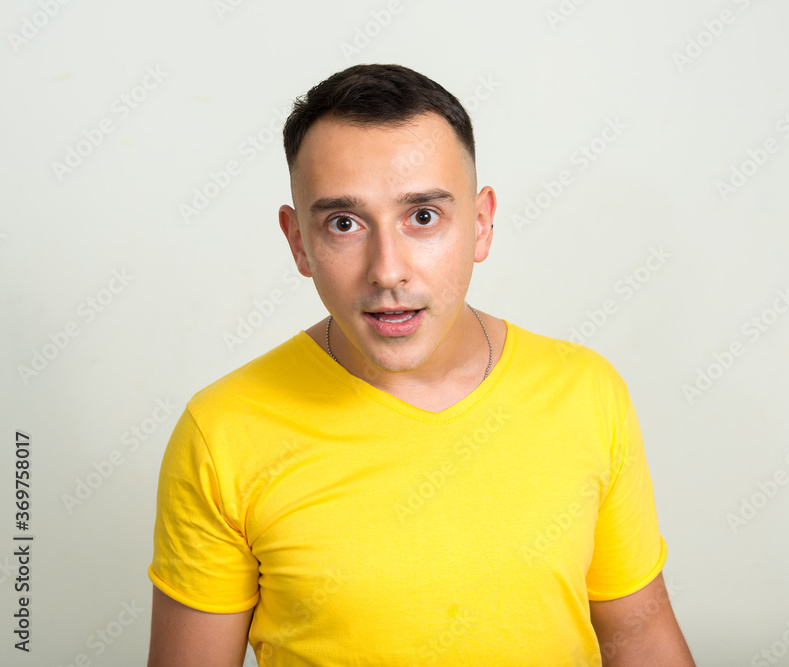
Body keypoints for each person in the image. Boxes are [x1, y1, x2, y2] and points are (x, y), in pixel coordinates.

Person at [146, 63, 695, 667]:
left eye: (424, 217)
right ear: (299, 241)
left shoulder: (587, 393)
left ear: (481, 223)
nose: (388, 270)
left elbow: (640, 641)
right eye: (344, 224)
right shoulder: (222, 431)